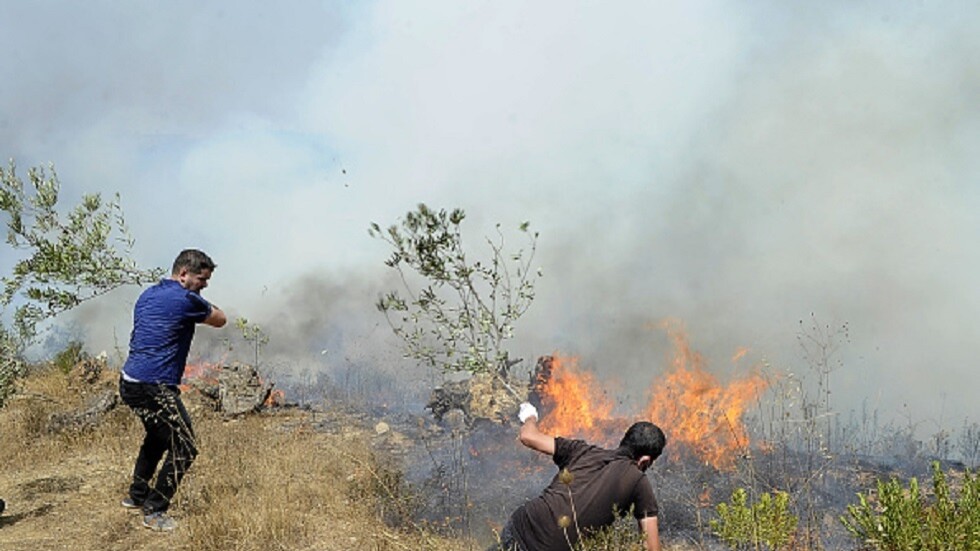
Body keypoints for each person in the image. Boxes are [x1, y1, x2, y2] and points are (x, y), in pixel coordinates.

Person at [118, 249, 227, 532]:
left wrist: (195, 296)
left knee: (156, 436)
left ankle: (136, 496)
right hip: (153, 386)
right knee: (185, 446)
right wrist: (197, 299)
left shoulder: (148, 294)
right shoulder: (185, 299)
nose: (204, 285)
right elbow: (220, 319)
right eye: (201, 279)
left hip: (129, 382)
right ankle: (155, 510)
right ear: (183, 274)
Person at [492, 403, 667, 551]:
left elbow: (528, 436)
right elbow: (651, 548)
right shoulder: (639, 482)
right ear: (645, 461)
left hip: (521, 525)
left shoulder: (582, 450)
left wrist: (530, 416)